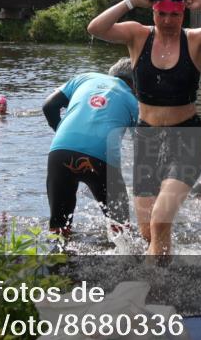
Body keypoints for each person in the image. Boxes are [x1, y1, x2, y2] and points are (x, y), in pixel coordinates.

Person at [87, 0, 201, 255]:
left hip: (186, 139)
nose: (168, 21)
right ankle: (166, 273)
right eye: (162, 14)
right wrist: (131, 1)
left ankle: (148, 281)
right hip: (146, 139)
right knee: (147, 232)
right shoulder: (137, 35)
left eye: (174, 15)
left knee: (160, 221)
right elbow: (95, 28)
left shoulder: (196, 39)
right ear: (153, 11)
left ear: (183, 13)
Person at [42, 58, 139, 236]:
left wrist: (61, 132)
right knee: (121, 228)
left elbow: (49, 106)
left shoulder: (85, 78)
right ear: (135, 84)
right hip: (101, 159)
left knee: (59, 228)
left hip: (60, 151)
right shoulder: (134, 102)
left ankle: (59, 251)